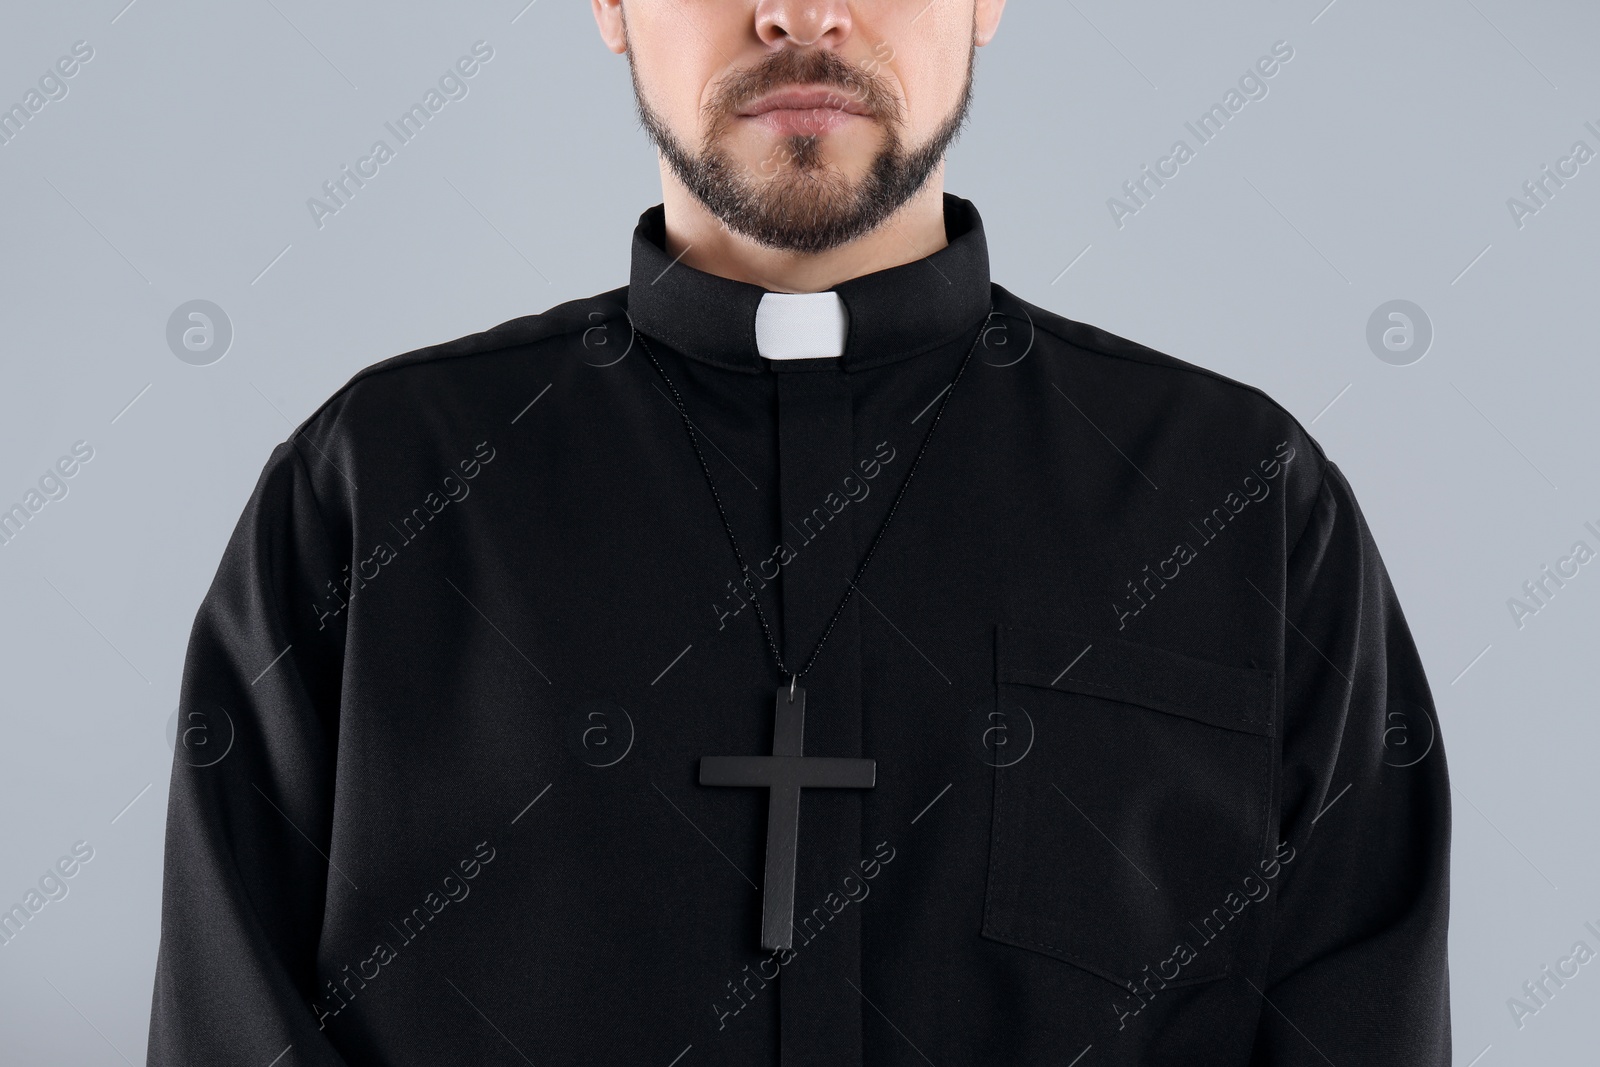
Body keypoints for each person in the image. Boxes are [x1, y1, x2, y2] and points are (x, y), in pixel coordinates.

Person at [147, 2, 1451, 1063]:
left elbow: (1357, 1019)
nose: (800, 16)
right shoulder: (374, 493)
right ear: (609, 6)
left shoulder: (1237, 500)